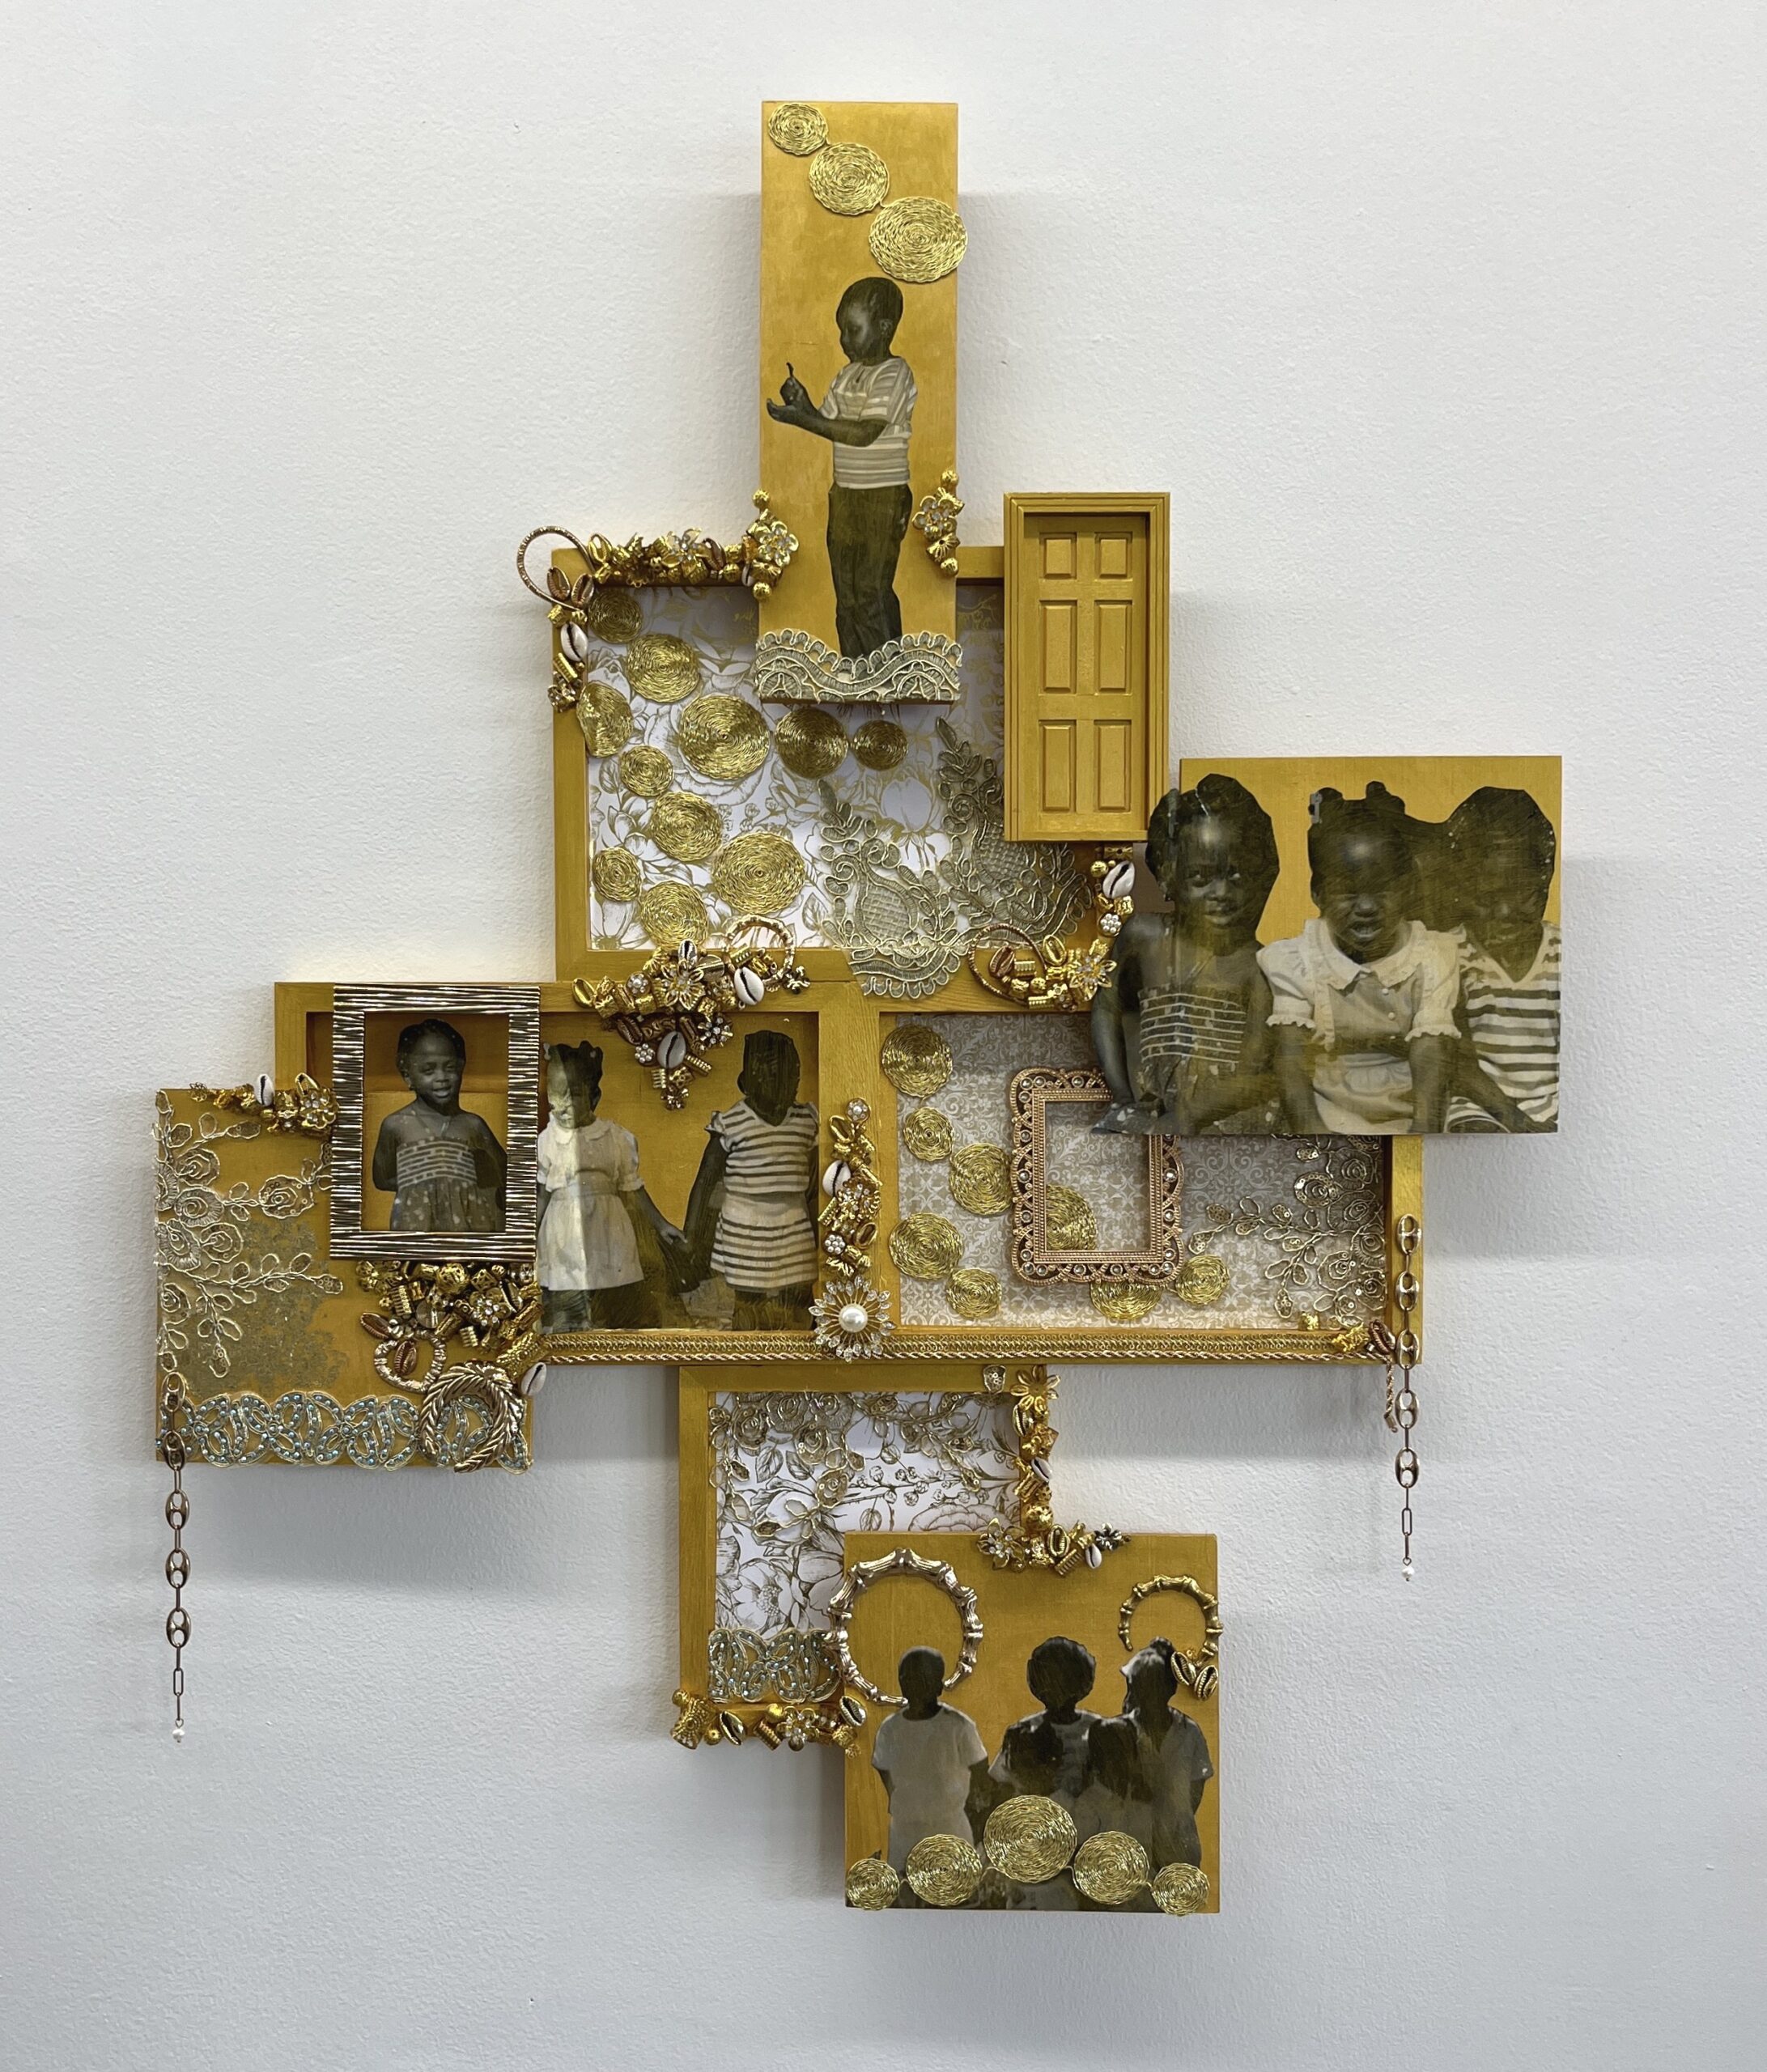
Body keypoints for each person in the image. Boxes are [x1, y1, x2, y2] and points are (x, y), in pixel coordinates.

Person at [1258, 792, 1461, 1132]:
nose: (1366, 907)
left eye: (1382, 892)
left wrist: (1422, 1129)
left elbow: (1432, 1053)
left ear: (1408, 890)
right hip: (1326, 1107)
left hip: (1411, 1106)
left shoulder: (1430, 955)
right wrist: (1312, 1130)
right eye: (1348, 894)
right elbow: (1290, 1060)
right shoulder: (1299, 960)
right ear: (1318, 894)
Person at [1093, 775, 1281, 1135]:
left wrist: (1188, 1119)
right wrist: (1121, 1096)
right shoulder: (1144, 936)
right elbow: (1106, 1006)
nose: (1221, 892)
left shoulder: (1257, 966)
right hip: (1151, 1115)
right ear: (1167, 876)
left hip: (1221, 1125)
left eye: (1235, 875)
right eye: (1200, 877)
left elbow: (1253, 1075)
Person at [766, 277, 916, 660]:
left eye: (853, 330)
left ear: (884, 328)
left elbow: (864, 434)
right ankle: (855, 671)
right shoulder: (846, 376)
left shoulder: (894, 373)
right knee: (846, 594)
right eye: (841, 331)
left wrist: (803, 419)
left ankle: (888, 675)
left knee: (871, 591)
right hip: (846, 496)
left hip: (883, 498)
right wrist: (803, 406)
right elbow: (828, 423)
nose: (844, 340)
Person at [536, 1041, 685, 1331]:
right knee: (568, 1291)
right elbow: (543, 1194)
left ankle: (611, 1335)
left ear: (594, 1096)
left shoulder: (616, 1138)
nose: (563, 1104)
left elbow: (632, 1187)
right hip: (563, 1230)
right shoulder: (548, 1140)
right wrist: (529, 1234)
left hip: (608, 1228)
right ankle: (570, 1331)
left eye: (574, 1094)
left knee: (613, 1294)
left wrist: (661, 1224)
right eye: (556, 1095)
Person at [682, 1031, 820, 1331]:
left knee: (798, 1297)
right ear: (749, 1080)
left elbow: (816, 1181)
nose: (785, 1085)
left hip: (793, 1225)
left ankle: (804, 1350)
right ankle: (746, 1347)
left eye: (792, 1077)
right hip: (744, 1228)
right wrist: (691, 1235)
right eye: (773, 1076)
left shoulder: (807, 1120)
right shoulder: (732, 1123)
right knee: (749, 1301)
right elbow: (705, 1182)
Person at [1443, 787, 1561, 1132]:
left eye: (1523, 893)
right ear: (1462, 888)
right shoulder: (1449, 955)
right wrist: (1518, 1121)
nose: (1506, 911)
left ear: (1544, 880)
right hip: (1482, 1104)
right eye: (1488, 898)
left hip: (1555, 1102)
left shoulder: (1561, 953)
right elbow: (1459, 1064)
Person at [1084, 1639, 1213, 1873]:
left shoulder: (1189, 1731)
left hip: (1178, 1846)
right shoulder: (1115, 1732)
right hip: (1126, 1848)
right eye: (1137, 1686)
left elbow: (1195, 1790)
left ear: (1169, 1688)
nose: (1140, 1694)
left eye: (1149, 1686)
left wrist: (1170, 1817)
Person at [372, 1018, 507, 1233]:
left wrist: (462, 1181)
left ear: (461, 1068)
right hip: (415, 1230)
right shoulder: (395, 1125)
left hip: (468, 1232)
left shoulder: (473, 1125)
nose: (442, 1078)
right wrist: (423, 1182)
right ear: (407, 1075)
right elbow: (382, 1179)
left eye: (450, 1068)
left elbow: (504, 1173)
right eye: (429, 1070)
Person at [871, 1647, 989, 1880]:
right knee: (906, 1892)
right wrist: (909, 1806)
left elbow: (981, 1775)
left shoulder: (959, 1726)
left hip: (950, 1828)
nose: (914, 1685)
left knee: (955, 1890)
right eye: (907, 1678)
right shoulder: (890, 1729)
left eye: (923, 1678)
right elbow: (886, 1775)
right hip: (905, 1834)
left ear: (938, 1684)